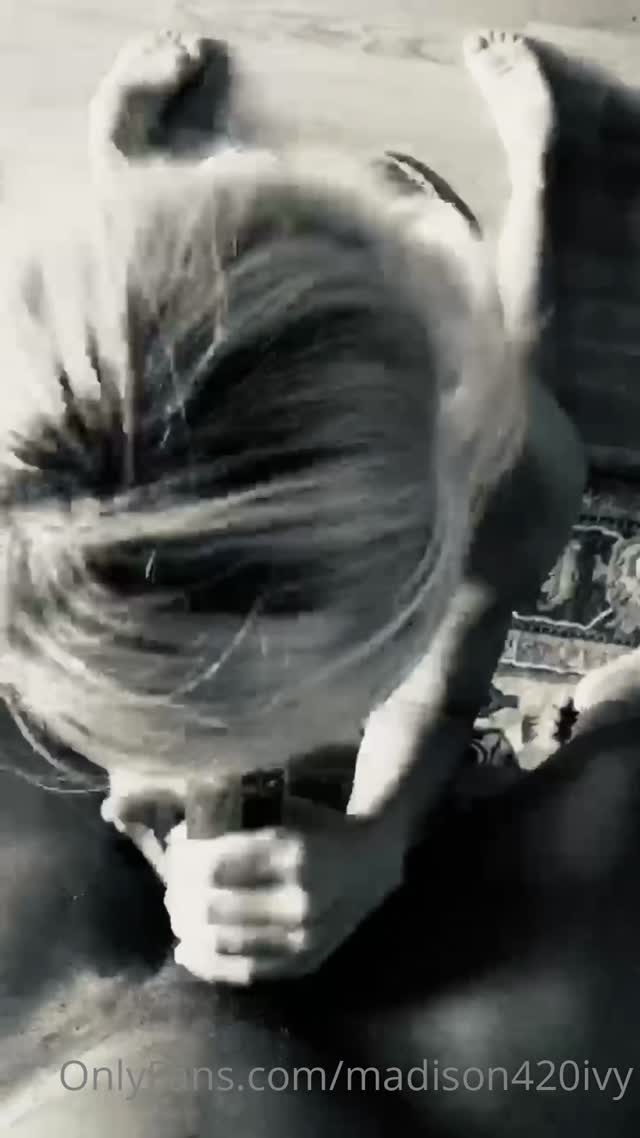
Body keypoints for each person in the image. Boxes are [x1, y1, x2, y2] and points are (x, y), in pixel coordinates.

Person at [0, 27, 584, 995]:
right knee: (124, 322)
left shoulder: (510, 481)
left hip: (430, 361)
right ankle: (136, 212)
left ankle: (538, 179)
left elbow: (441, 691)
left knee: (521, 367)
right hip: (200, 283)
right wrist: (160, 764)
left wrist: (386, 830)